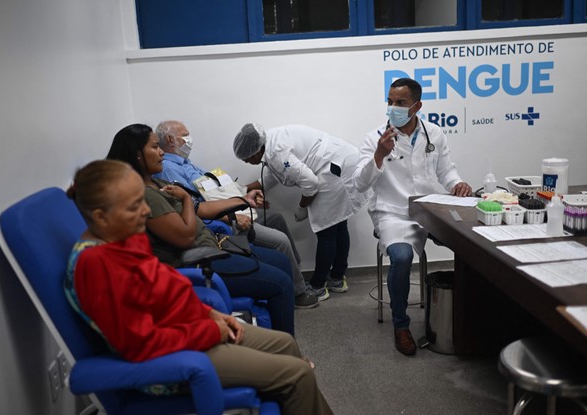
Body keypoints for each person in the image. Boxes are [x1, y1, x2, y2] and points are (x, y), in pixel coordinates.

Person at [64, 159, 333, 415]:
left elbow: (168, 291)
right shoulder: (97, 265)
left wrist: (212, 314)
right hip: (178, 358)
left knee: (285, 343)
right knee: (298, 375)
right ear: (101, 217)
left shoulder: (122, 239)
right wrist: (211, 330)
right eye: (134, 206)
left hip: (194, 330)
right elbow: (142, 346)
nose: (146, 211)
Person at [106, 123, 296, 336]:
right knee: (281, 283)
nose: (161, 152)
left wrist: (242, 199)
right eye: (154, 147)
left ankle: (279, 332)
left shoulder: (157, 184)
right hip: (199, 260)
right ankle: (287, 348)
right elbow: (186, 236)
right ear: (137, 155)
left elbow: (202, 208)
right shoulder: (146, 196)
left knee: (280, 261)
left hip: (213, 244)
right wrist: (186, 198)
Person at [353, 77, 472, 356]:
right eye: (390, 102)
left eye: (401, 103)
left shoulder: (434, 133)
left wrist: (457, 184)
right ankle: (401, 325)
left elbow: (446, 171)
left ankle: (466, 317)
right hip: (393, 212)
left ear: (417, 106)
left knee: (470, 244)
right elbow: (360, 184)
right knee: (403, 257)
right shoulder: (374, 139)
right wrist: (379, 156)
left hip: (431, 208)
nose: (393, 107)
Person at [153, 120, 318, 309]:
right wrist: (232, 215)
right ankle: (299, 294)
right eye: (185, 135)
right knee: (280, 240)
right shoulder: (167, 170)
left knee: (276, 219)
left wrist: (244, 199)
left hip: (229, 209)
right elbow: (194, 207)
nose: (190, 140)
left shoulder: (187, 164)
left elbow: (217, 189)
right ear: (170, 139)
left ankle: (293, 274)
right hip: (219, 220)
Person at [233, 124, 371, 301]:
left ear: (254, 153)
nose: (245, 162)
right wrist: (241, 189)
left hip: (333, 171)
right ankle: (337, 279)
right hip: (342, 161)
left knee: (326, 230)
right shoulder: (269, 142)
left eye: (246, 159)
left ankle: (318, 286)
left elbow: (311, 183)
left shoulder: (276, 153)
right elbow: (270, 177)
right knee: (338, 224)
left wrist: (302, 207)